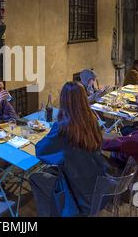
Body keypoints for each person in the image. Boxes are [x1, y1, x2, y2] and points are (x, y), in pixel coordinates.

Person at [35, 82, 107, 216]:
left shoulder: (63, 126)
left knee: (35, 177)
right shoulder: (92, 119)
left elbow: (41, 151)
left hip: (75, 186)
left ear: (63, 100)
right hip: (96, 181)